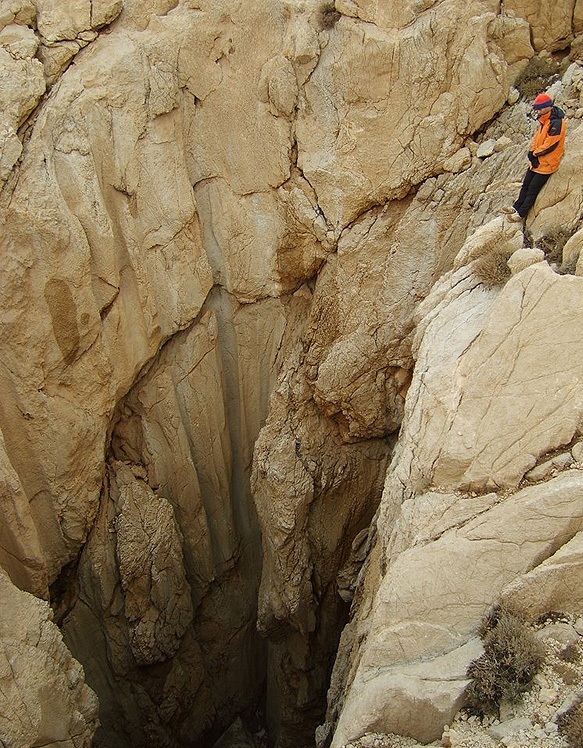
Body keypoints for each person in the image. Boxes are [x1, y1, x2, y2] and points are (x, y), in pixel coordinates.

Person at [502, 92, 566, 223]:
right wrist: (532, 153)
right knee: (526, 185)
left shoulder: (556, 123)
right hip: (537, 161)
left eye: (541, 108)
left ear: (549, 107)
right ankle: (516, 207)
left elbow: (550, 144)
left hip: (547, 163)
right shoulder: (544, 121)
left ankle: (521, 214)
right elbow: (537, 139)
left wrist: (535, 154)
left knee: (532, 189)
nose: (539, 111)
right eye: (538, 109)